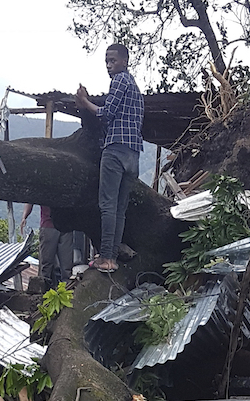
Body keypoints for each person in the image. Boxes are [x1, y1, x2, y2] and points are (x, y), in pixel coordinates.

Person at [75, 43, 144, 273]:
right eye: (106, 61)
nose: (109, 66)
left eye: (112, 60)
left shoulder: (119, 80)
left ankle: (106, 257)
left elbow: (106, 114)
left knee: (107, 205)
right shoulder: (135, 87)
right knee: (119, 209)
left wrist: (85, 103)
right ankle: (112, 256)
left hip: (115, 151)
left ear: (124, 61)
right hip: (133, 155)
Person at [20, 204, 74, 288]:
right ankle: (43, 291)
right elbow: (30, 200)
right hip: (50, 225)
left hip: (65, 226)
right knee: (46, 265)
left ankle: (66, 291)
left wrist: (24, 217)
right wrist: (24, 217)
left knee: (66, 265)